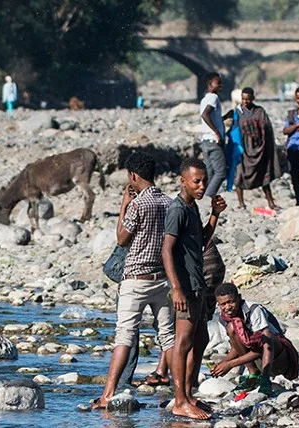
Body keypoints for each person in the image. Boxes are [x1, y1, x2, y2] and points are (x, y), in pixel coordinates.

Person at [90, 154, 176, 409]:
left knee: (124, 336)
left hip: (136, 279)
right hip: (162, 279)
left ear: (133, 176)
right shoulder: (170, 202)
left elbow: (121, 238)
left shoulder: (139, 205)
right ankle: (181, 392)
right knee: (168, 337)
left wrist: (124, 204)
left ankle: (107, 394)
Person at [162, 159, 225, 420]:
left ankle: (188, 394)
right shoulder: (177, 209)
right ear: (183, 181)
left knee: (201, 340)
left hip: (198, 284)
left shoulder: (192, 207)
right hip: (185, 287)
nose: (201, 186)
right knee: (183, 342)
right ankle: (179, 401)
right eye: (196, 181)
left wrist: (214, 214)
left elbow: (200, 242)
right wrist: (176, 288)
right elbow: (166, 250)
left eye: (204, 181)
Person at [210, 283, 299, 394]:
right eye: (223, 304)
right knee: (232, 328)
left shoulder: (253, 309)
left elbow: (265, 345)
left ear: (239, 298)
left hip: (278, 359)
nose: (227, 307)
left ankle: (265, 379)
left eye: (231, 302)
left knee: (267, 335)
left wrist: (231, 364)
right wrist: (222, 364)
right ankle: (254, 373)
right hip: (258, 360)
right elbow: (235, 348)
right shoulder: (223, 319)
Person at [233, 87, 281, 211]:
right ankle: (241, 203)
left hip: (260, 148)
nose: (245, 102)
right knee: (239, 175)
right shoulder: (238, 112)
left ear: (253, 99)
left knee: (264, 175)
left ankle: (271, 202)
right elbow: (234, 130)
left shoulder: (260, 111)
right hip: (243, 149)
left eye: (248, 99)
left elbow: (267, 129)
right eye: (243, 99)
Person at [198, 72, 228, 199]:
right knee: (221, 173)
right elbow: (205, 115)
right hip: (213, 140)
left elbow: (212, 118)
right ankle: (208, 196)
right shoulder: (213, 98)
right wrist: (217, 133)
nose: (221, 86)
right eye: (218, 83)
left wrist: (226, 117)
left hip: (205, 140)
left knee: (209, 172)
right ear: (210, 84)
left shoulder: (205, 98)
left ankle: (202, 195)